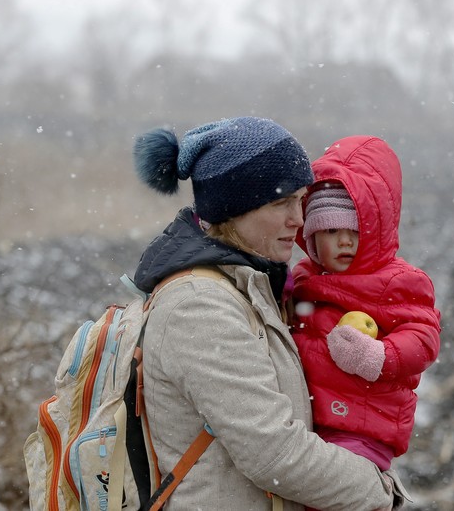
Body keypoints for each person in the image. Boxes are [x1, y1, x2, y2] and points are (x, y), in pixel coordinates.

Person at [131, 117, 401, 510]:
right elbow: (274, 454)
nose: (299, 218)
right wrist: (378, 490)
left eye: (300, 199)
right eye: (281, 203)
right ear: (233, 210)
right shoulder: (199, 306)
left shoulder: (252, 286)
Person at [292, 135, 442, 474]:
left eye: (358, 229)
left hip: (363, 427)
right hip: (309, 420)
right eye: (330, 230)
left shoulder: (397, 281)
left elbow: (423, 337)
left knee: (334, 489)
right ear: (311, 236)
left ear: (377, 230)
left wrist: (379, 357)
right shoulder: (302, 280)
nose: (345, 240)